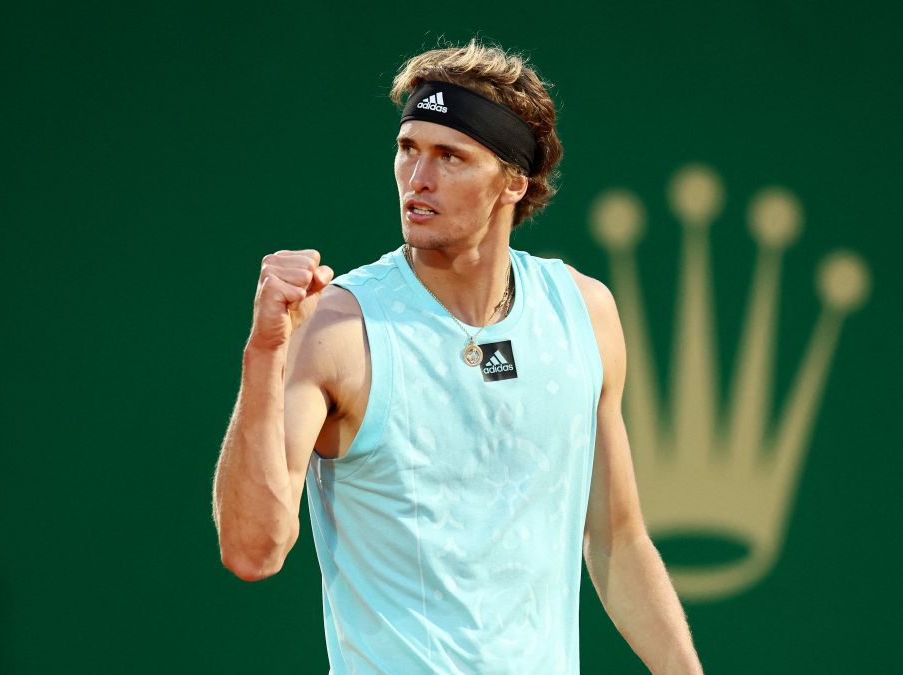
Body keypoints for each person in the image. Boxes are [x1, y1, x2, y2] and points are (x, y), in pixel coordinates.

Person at [212, 40, 703, 674]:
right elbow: (254, 550)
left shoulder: (584, 313)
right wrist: (265, 352)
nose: (418, 179)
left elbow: (616, 539)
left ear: (514, 183)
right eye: (407, 148)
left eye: (451, 157)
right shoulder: (335, 327)